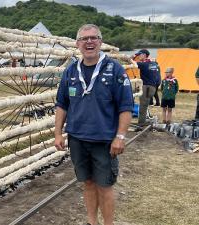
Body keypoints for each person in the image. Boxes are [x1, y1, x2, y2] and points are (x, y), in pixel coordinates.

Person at [54, 24, 133, 225]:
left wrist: (120, 137)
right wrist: (58, 134)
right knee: (87, 183)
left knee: (104, 186)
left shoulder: (114, 69)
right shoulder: (71, 71)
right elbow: (62, 105)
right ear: (77, 44)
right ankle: (92, 222)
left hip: (105, 141)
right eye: (84, 39)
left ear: (100, 42)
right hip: (78, 139)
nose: (89, 42)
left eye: (93, 38)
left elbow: (125, 107)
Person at [133, 49, 161, 126]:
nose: (138, 56)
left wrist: (132, 57)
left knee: (142, 106)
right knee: (145, 106)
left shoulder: (144, 64)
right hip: (153, 87)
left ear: (144, 55)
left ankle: (140, 124)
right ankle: (144, 122)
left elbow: (133, 63)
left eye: (139, 55)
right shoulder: (154, 64)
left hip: (146, 87)